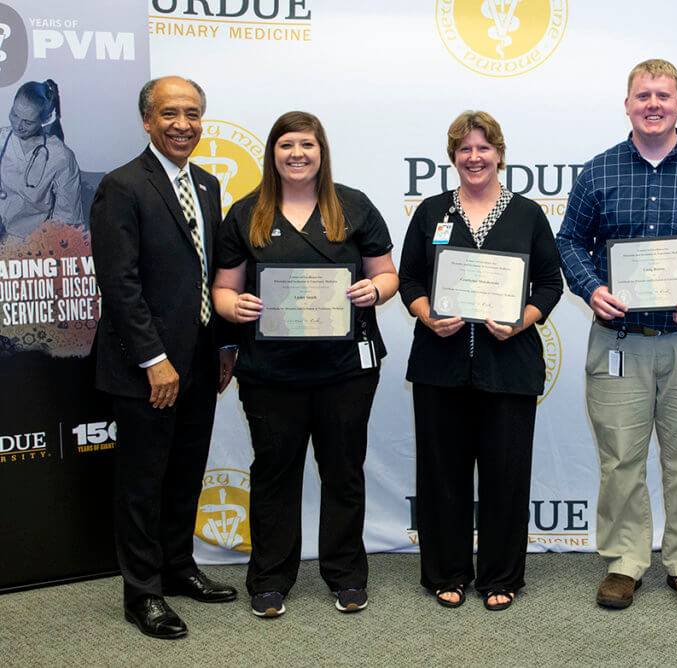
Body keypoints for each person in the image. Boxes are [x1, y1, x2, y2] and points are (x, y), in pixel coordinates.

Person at [556, 59, 677, 611]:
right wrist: (592, 288)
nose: (653, 104)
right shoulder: (597, 172)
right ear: (627, 105)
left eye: (663, 95)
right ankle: (624, 560)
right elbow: (570, 239)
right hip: (619, 340)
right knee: (620, 455)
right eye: (643, 95)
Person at [212, 111, 398, 619]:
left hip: (346, 369)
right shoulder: (246, 213)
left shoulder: (354, 207)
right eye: (287, 144)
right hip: (270, 373)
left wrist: (372, 289)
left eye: (307, 145)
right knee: (274, 473)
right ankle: (270, 579)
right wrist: (234, 307)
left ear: (322, 152)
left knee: (343, 472)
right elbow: (224, 289)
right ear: (272, 153)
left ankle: (346, 575)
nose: (298, 153)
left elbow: (388, 275)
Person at [91, 76, 238, 640]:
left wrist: (224, 345)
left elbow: (212, 273)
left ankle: (178, 568)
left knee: (184, 473)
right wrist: (154, 359)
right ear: (147, 121)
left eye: (193, 113)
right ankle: (143, 593)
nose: (184, 124)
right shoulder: (121, 186)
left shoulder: (206, 184)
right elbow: (120, 284)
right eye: (171, 113)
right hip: (147, 367)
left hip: (200, 360)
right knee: (142, 481)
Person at [398, 111, 562, 611]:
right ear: (453, 158)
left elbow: (551, 284)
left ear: (499, 154)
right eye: (465, 149)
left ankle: (500, 576)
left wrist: (522, 320)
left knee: (505, 475)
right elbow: (409, 280)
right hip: (440, 365)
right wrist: (427, 315)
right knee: (442, 474)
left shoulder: (527, 214)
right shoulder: (431, 212)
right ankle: (446, 572)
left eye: (483, 148)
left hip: (509, 366)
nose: (475, 157)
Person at [0, 79, 84, 240]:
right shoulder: (2, 140)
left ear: (44, 119)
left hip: (32, 246)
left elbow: (67, 219)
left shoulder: (61, 157)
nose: (18, 125)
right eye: (15, 115)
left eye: (28, 122)